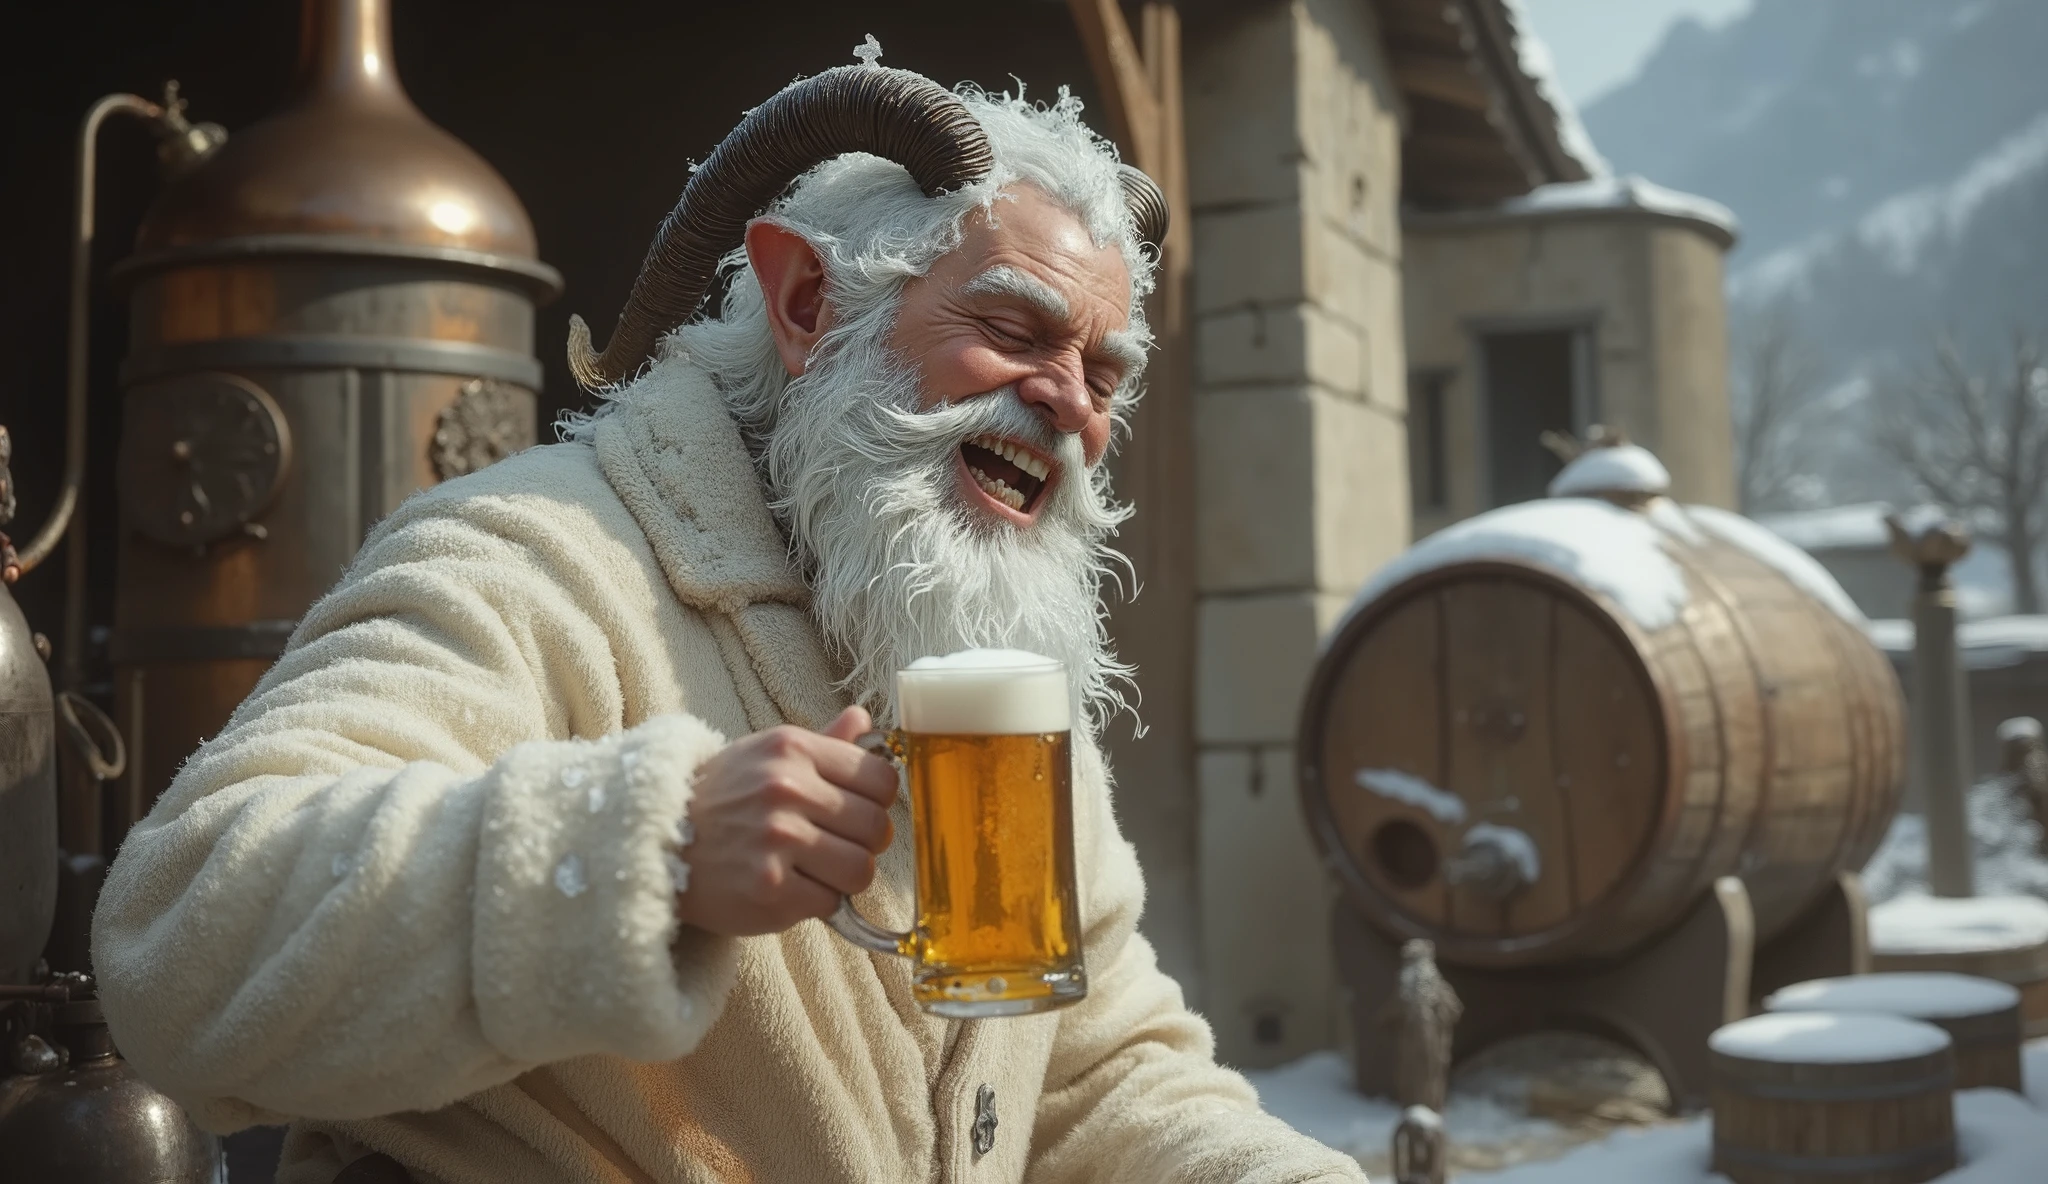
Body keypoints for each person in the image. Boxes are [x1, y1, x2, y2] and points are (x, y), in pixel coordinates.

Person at [93, 63, 1368, 1184]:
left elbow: (1095, 1075)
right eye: (1010, 327)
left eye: (1102, 373)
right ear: (805, 302)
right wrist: (646, 847)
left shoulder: (992, 661)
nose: (1069, 408)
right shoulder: (542, 558)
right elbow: (177, 935)